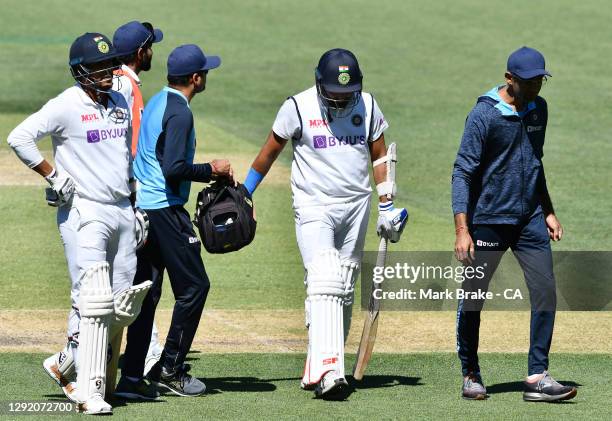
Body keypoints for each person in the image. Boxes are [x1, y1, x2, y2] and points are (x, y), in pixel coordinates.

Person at [243, 48, 407, 398]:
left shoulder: (368, 105)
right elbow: (269, 152)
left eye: (347, 93)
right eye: (335, 92)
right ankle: (330, 370)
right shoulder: (298, 106)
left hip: (356, 205)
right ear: (319, 84)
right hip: (313, 204)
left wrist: (387, 205)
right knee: (324, 277)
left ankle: (318, 361)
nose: (342, 99)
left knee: (344, 287)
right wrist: (246, 192)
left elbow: (379, 154)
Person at [7, 33, 150, 414]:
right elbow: (19, 138)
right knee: (90, 295)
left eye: (110, 65)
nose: (108, 72)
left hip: (121, 209)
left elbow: (122, 157)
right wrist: (53, 175)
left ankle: (65, 362)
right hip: (83, 211)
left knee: (120, 302)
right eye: (99, 67)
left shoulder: (119, 99)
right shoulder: (66, 105)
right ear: (80, 71)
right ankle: (88, 390)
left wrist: (134, 205)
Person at [452, 46, 577, 402]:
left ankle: (537, 375)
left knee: (545, 291)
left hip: (529, 220)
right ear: (510, 79)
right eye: (530, 81)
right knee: (474, 298)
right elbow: (462, 171)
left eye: (541, 80)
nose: (537, 86)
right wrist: (462, 229)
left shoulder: (539, 109)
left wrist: (548, 209)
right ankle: (471, 373)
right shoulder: (484, 115)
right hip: (487, 221)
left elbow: (534, 162)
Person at [117, 44, 233, 398]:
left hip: (146, 211)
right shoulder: (180, 113)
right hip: (165, 211)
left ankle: (132, 380)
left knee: (148, 295)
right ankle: (170, 368)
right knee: (195, 286)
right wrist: (212, 171)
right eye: (205, 73)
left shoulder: (156, 101)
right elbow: (174, 169)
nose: (206, 77)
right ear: (196, 79)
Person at [112, 19, 166, 376]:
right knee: (139, 279)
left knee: (133, 278)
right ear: (139, 53)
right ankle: (142, 356)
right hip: (131, 195)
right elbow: (130, 145)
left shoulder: (116, 81)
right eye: (149, 47)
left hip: (117, 194)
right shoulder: (127, 87)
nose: (152, 52)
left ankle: (146, 350)